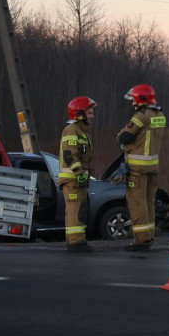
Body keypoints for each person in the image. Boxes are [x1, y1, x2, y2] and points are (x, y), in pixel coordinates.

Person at [117, 83, 165, 251]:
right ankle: (149, 236)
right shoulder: (160, 115)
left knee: (138, 204)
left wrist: (120, 135)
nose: (132, 104)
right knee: (149, 203)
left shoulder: (140, 115)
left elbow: (125, 136)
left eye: (134, 100)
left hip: (137, 168)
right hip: (153, 167)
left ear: (141, 99)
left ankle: (141, 240)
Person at [59, 96, 96, 252]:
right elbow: (69, 155)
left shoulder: (81, 132)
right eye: (89, 112)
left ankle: (74, 241)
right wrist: (80, 173)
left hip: (77, 178)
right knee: (76, 210)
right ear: (80, 114)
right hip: (73, 179)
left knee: (76, 210)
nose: (92, 116)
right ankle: (76, 242)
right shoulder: (72, 130)